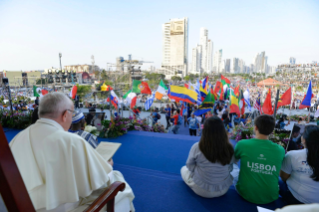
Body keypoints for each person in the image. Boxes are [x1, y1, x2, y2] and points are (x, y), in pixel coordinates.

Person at [10, 93, 135, 212]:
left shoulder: (18, 138)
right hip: (62, 208)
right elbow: (100, 181)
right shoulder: (71, 141)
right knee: (117, 179)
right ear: (65, 115)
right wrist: (108, 165)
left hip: (23, 205)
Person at [234, 114, 285, 204]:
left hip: (245, 193)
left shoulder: (242, 144)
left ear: (256, 128)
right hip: (271, 196)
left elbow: (233, 161)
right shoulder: (280, 150)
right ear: (272, 130)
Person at [181, 116, 235, 198]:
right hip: (223, 189)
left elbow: (189, 165)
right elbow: (231, 167)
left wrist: (194, 174)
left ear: (205, 130)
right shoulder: (230, 148)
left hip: (201, 189)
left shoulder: (197, 147)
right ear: (223, 130)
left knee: (183, 169)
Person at [280, 125, 319, 205]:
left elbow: (283, 177)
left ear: (304, 140)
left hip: (296, 199)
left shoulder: (293, 155)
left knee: (278, 180)